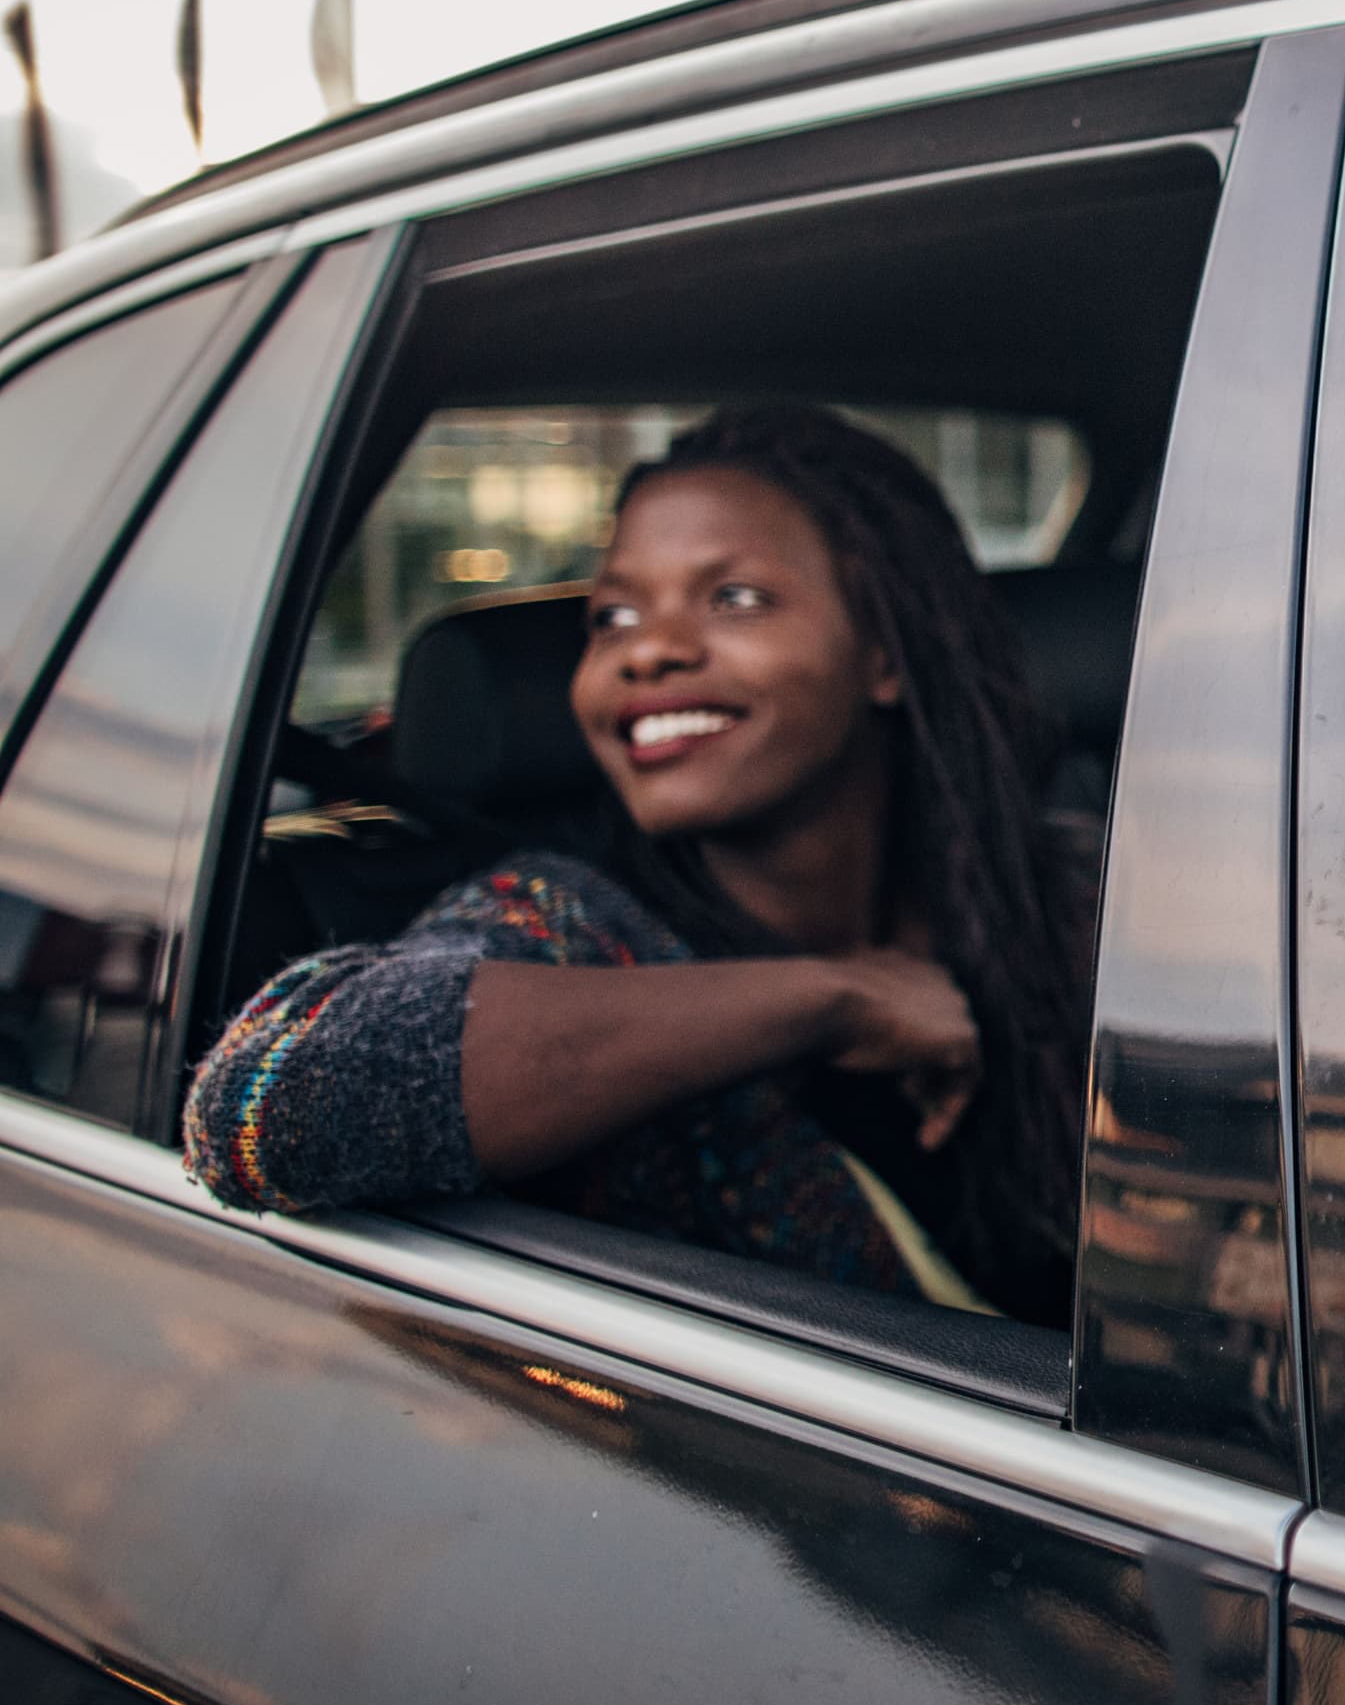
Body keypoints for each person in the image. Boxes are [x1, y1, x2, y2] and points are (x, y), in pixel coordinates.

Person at [185, 404, 1093, 1325]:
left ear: (884, 654)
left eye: (734, 599)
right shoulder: (570, 920)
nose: (649, 650)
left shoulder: (1064, 892)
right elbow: (264, 1101)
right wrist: (829, 998)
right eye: (613, 616)